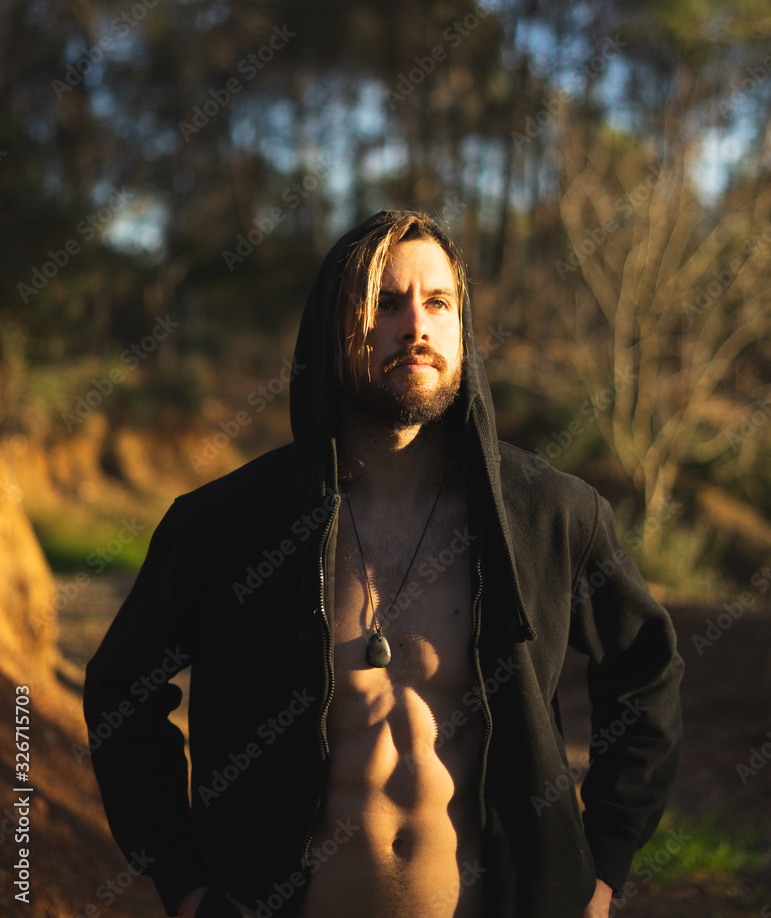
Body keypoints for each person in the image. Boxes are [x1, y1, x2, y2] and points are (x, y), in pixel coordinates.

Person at [83, 209, 683, 918]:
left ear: (462, 328)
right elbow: (124, 692)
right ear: (331, 332)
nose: (416, 328)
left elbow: (647, 673)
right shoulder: (231, 525)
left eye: (438, 303)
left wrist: (601, 868)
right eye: (385, 304)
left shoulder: (551, 515)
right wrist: (186, 885)